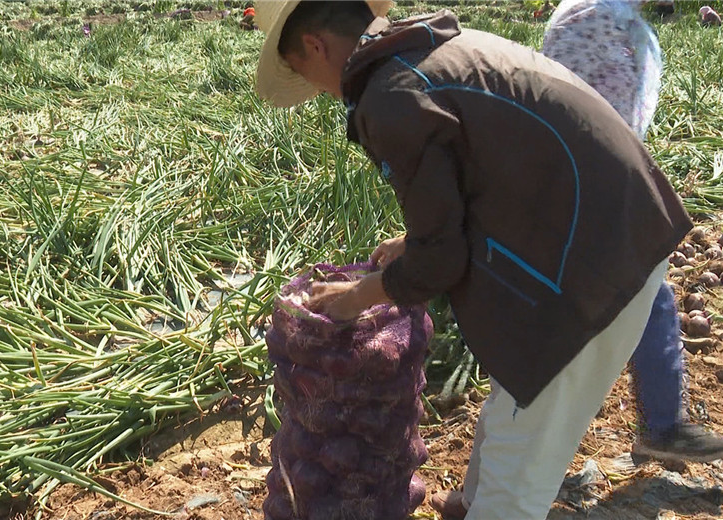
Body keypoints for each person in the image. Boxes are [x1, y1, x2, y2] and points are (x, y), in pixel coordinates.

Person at [254, 2, 691, 518]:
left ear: (315, 47)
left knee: (520, 466)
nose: (321, 94)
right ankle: (473, 504)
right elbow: (478, 176)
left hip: (590, 262)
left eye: (307, 76)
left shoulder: (390, 95)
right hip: (609, 228)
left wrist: (356, 298)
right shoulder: (429, 51)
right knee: (513, 402)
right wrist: (412, 242)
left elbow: (440, 263)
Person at [543, 0, 723, 465]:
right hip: (589, 188)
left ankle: (658, 424)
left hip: (597, 184)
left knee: (648, 296)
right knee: (639, 297)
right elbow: (567, 107)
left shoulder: (613, 15)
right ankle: (658, 427)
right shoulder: (593, 17)